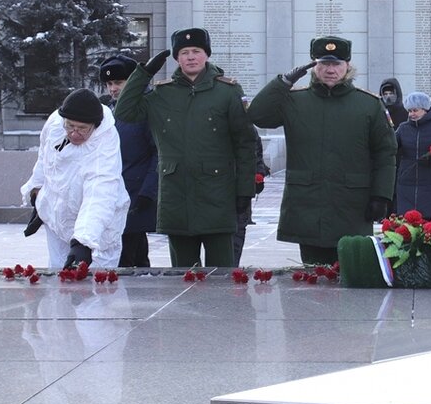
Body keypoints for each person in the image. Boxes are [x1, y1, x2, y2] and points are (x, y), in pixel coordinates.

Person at [247, 35, 396, 265]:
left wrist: (381, 195)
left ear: (347, 66)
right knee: (311, 283)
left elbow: (385, 153)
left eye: (336, 63)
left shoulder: (368, 104)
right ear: (313, 66)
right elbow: (257, 114)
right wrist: (283, 82)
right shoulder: (295, 101)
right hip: (308, 206)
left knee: (350, 278)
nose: (330, 69)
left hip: (352, 205)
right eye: (323, 63)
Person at [114, 28, 257, 268]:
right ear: (177, 59)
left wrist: (245, 189)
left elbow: (245, 143)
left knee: (221, 275)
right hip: (176, 195)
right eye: (184, 52)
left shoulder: (227, 91)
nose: (191, 57)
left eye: (196, 51)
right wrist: (143, 73)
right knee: (182, 276)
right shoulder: (162, 93)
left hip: (218, 195)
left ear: (206, 55)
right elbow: (124, 112)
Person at [20, 88, 131, 270]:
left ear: (94, 126)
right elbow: (45, 159)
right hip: (59, 219)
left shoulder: (104, 144)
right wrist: (38, 193)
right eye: (70, 126)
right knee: (59, 282)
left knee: (97, 286)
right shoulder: (56, 122)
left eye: (82, 129)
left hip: (99, 230)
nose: (74, 134)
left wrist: (83, 242)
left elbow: (100, 192)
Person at [98, 54, 159, 267]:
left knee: (129, 255)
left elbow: (158, 153)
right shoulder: (108, 111)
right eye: (109, 83)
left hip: (136, 193)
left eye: (118, 82)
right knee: (129, 253)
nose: (113, 88)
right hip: (114, 193)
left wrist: (147, 192)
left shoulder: (146, 108)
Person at [394, 91, 431, 219]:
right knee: (407, 224)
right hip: (406, 184)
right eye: (409, 111)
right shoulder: (403, 128)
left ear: (425, 109)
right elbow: (391, 146)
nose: (412, 114)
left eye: (415, 110)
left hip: (430, 185)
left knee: (429, 225)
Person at [233, 105, 271, 267]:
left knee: (238, 230)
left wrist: (259, 174)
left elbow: (257, 155)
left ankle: (231, 266)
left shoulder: (248, 128)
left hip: (241, 188)